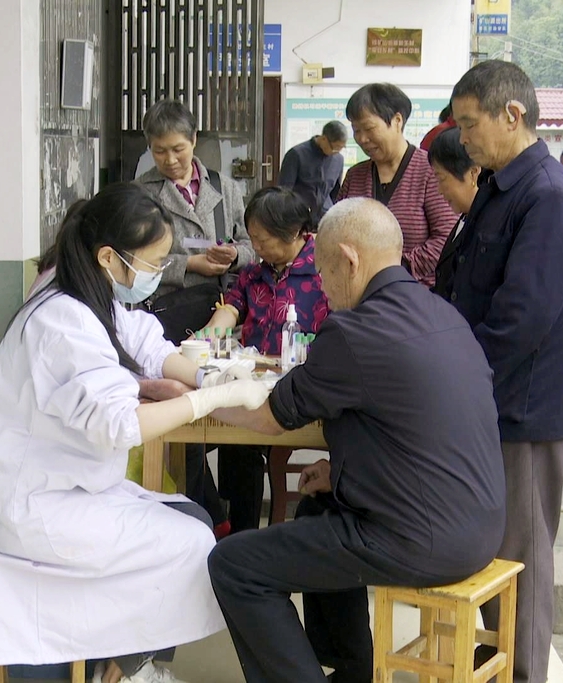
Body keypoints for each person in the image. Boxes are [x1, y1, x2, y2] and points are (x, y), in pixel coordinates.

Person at [0, 183, 271, 683]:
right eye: (152, 264)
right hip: (40, 505)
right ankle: (126, 666)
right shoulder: (64, 318)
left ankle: (126, 660)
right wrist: (208, 401)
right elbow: (122, 424)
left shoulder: (84, 290)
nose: (154, 276)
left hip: (64, 487)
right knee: (195, 545)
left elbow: (147, 343)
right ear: (109, 256)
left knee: (189, 513)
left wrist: (215, 374)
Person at [206, 198, 506, 683]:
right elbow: (419, 428)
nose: (321, 285)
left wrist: (194, 397)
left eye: (322, 270)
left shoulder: (354, 330)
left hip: (417, 539)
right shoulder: (443, 314)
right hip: (480, 526)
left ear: (349, 259)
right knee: (315, 511)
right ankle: (350, 671)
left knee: (235, 564)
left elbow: (268, 417)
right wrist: (344, 470)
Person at [446, 60, 563, 683]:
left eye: (471, 124)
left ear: (513, 115)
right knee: (494, 552)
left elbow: (521, 318)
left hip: (524, 409)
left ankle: (525, 672)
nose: (463, 137)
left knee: (524, 558)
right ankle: (494, 660)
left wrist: (455, 376)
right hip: (488, 401)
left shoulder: (549, 194)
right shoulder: (499, 186)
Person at [137, 99, 257, 532]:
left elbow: (251, 244)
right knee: (185, 416)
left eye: (178, 150)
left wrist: (233, 255)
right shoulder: (143, 192)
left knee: (239, 415)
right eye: (159, 151)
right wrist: (188, 265)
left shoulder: (225, 188)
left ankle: (242, 525)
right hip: (172, 319)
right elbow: (135, 260)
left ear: (194, 143)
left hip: (225, 316)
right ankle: (201, 520)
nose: (169, 160)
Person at [198, 187, 331, 532]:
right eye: (253, 239)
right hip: (253, 382)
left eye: (263, 239)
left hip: (304, 386)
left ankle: (245, 533)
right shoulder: (254, 274)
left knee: (244, 436)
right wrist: (205, 338)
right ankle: (232, 528)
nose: (255, 248)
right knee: (211, 441)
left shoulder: (325, 271)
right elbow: (231, 309)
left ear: (295, 233)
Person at [338, 83, 458, 288]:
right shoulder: (354, 175)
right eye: (356, 130)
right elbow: (337, 230)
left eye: (369, 129)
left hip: (415, 295)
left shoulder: (430, 171)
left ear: (397, 121)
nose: (362, 139)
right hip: (359, 296)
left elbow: (446, 237)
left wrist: (391, 270)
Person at [427, 127, 481, 297]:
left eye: (441, 178)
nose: (439, 190)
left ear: (473, 173)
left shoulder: (486, 226)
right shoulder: (465, 218)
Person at [278, 121, 348, 222]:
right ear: (323, 138)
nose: (336, 152)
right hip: (299, 218)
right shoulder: (296, 154)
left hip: (325, 219)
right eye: (334, 148)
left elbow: (335, 193)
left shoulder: (338, 159)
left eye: (341, 149)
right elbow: (284, 191)